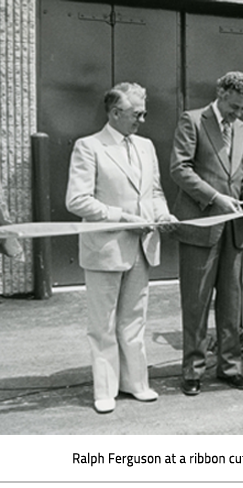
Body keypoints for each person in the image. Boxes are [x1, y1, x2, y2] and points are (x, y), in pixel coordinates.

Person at [66, 82, 178, 414]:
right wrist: (123, 217)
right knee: (102, 324)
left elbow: (154, 192)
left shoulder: (145, 146)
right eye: (136, 113)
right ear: (115, 113)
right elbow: (77, 199)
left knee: (133, 320)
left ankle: (135, 383)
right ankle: (105, 390)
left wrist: (163, 214)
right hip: (106, 248)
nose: (142, 119)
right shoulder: (89, 147)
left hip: (142, 247)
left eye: (143, 113)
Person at [170, 71, 243, 396]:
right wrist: (215, 197)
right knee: (196, 303)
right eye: (235, 107)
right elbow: (179, 168)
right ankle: (193, 370)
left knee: (231, 302)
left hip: (235, 228)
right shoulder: (192, 121)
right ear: (221, 93)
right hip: (201, 225)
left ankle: (230, 366)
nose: (238, 114)